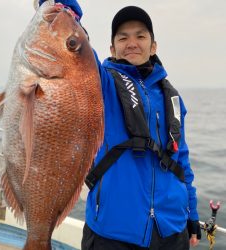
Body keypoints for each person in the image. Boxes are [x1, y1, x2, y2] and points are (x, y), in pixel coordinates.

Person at [38, 1, 201, 249]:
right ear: (112, 48)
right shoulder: (99, 83)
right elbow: (70, 42)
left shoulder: (172, 98)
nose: (132, 43)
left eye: (140, 36)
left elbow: (182, 161)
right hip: (111, 232)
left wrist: (192, 216)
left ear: (153, 45)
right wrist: (63, 10)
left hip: (172, 231)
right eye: (123, 38)